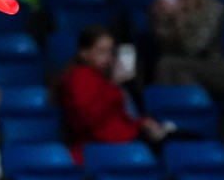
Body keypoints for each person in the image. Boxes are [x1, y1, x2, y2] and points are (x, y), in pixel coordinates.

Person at [54, 24, 169, 164]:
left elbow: (117, 117)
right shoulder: (79, 78)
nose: (108, 58)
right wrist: (113, 85)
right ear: (84, 53)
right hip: (105, 146)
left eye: (110, 52)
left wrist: (142, 123)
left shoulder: (101, 77)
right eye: (101, 52)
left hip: (121, 140)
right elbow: (89, 119)